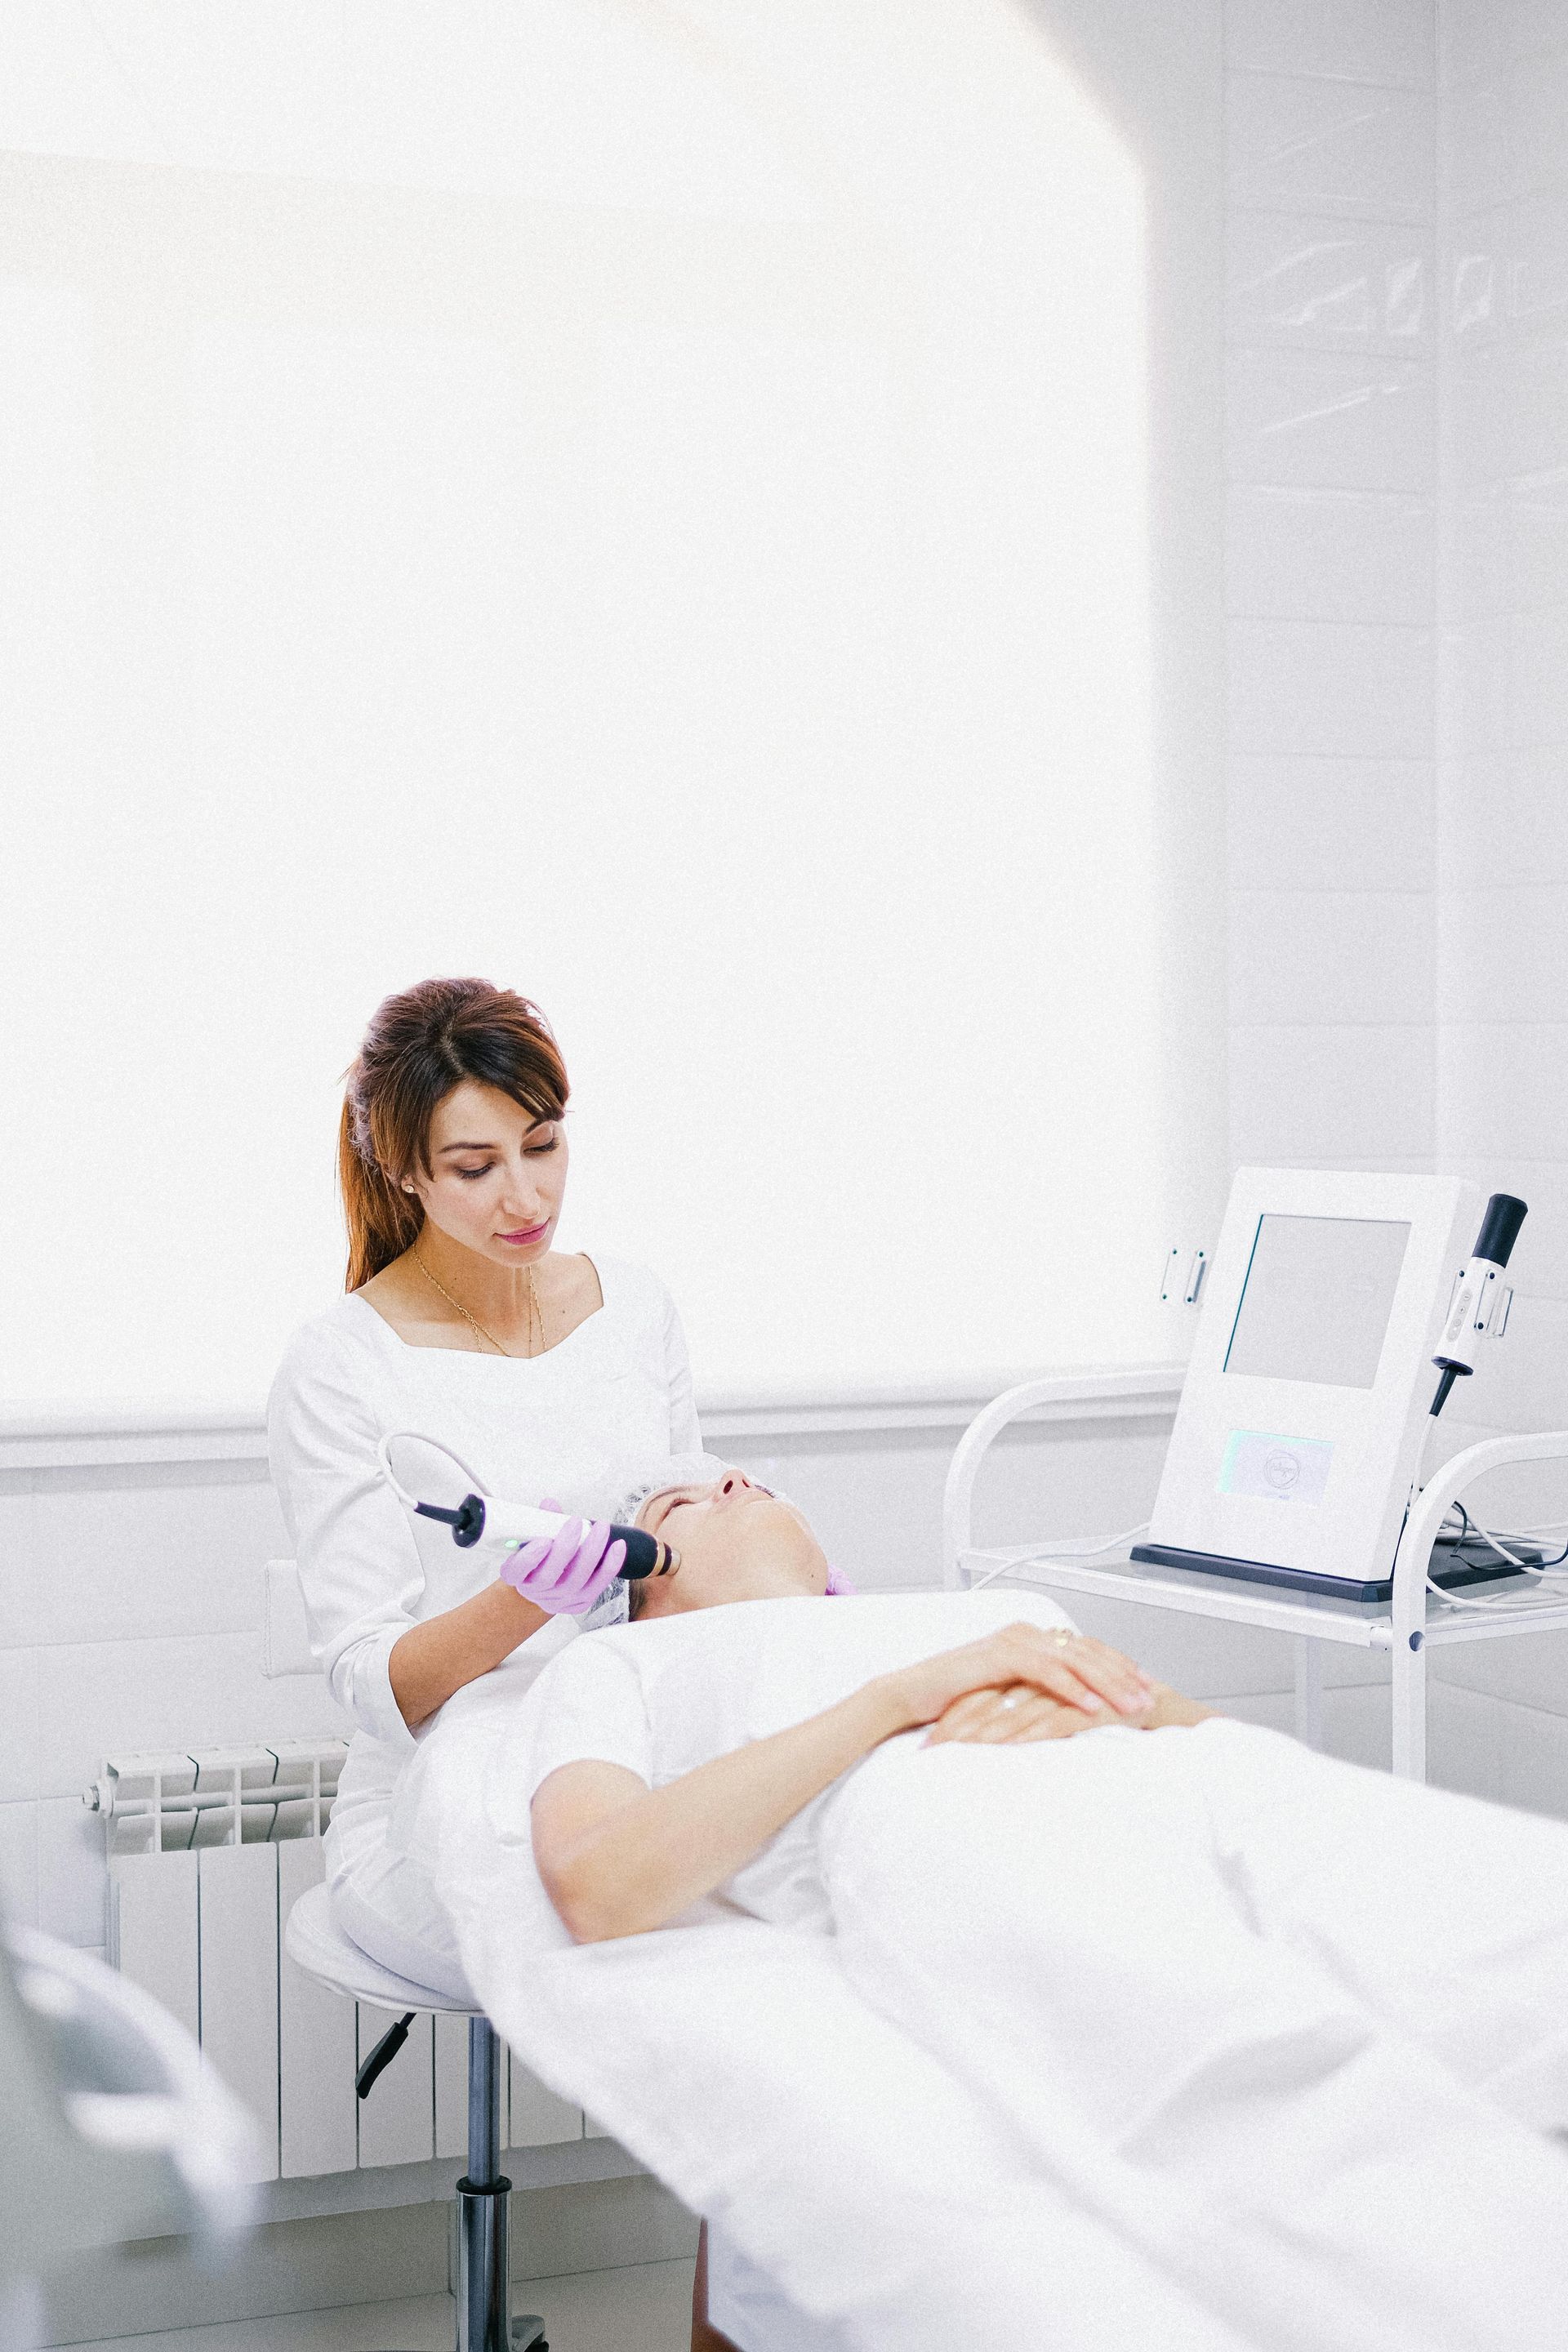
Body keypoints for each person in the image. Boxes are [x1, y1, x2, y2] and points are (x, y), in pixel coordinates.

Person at [519, 1468, 1568, 2350]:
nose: (732, 1480)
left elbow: (1155, 1714)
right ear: (641, 1583)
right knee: (1246, 2062)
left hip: (1194, 1771)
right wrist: (899, 1697)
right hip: (938, 1802)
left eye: (738, 1475)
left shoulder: (979, 1614)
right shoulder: (625, 1662)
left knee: (1498, 1905)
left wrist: (1153, 1709)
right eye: (679, 1504)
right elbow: (601, 1884)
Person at [267, 977, 702, 2002]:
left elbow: (684, 1534)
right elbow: (375, 1685)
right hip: (441, 1794)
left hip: (632, 1748)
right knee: (647, 1938)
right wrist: (525, 1602)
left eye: (544, 1146)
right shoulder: (341, 1366)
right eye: (476, 1166)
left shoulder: (634, 1307)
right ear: (404, 1169)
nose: (527, 1198)